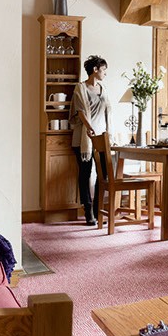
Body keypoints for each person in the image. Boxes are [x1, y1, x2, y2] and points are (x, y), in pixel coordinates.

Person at [73, 55, 111, 226]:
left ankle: (97, 209)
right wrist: (89, 128)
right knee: (85, 174)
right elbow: (80, 111)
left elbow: (108, 111)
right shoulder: (80, 88)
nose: (105, 73)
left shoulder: (103, 89)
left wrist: (108, 132)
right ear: (95, 70)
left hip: (101, 138)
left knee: (104, 174)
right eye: (103, 70)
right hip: (83, 139)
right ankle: (88, 211)